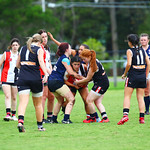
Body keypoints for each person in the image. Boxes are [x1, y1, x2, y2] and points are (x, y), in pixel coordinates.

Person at [16, 33, 48, 132]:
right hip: (35, 78)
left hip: (23, 78)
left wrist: (25, 68)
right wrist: (46, 74)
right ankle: (40, 126)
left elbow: (17, 64)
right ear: (39, 42)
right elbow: (41, 62)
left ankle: (20, 122)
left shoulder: (22, 48)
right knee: (38, 104)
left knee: (22, 102)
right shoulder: (39, 49)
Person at [117, 34, 150, 125]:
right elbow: (148, 63)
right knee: (140, 97)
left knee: (127, 96)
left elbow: (128, 64)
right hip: (142, 75)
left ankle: (125, 116)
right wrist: (146, 75)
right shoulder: (143, 50)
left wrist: (124, 74)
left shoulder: (129, 51)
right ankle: (142, 118)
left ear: (130, 42)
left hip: (133, 75)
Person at [48, 42, 81, 124]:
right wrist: (84, 78)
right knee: (71, 99)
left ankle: (53, 119)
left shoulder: (63, 58)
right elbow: (70, 72)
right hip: (57, 82)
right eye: (70, 48)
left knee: (60, 101)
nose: (71, 50)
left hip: (51, 82)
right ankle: (66, 119)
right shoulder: (65, 59)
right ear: (66, 50)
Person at [75, 49, 110, 123]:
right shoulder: (93, 61)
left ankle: (93, 117)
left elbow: (88, 79)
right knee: (97, 102)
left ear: (89, 56)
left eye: (84, 59)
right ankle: (105, 118)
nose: (83, 61)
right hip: (102, 83)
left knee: (88, 100)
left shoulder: (93, 65)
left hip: (101, 84)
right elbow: (91, 78)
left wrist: (77, 82)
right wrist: (82, 81)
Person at [0, 38, 20, 121]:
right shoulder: (6, 54)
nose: (15, 47)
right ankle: (8, 114)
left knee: (14, 97)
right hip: (6, 77)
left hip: (16, 78)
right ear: (11, 46)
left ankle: (13, 114)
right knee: (7, 95)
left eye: (16, 45)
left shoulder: (20, 55)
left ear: (18, 46)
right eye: (13, 45)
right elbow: (0, 64)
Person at [38, 29, 55, 123]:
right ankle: (42, 117)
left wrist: (51, 71)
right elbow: (42, 62)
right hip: (43, 74)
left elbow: (48, 61)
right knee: (44, 96)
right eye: (43, 37)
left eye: (46, 37)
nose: (45, 39)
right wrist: (48, 72)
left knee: (51, 96)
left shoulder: (47, 48)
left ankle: (50, 116)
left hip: (49, 74)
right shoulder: (39, 48)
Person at [140, 33, 150, 115]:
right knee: (145, 91)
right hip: (142, 72)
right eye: (141, 40)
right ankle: (146, 110)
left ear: (148, 40)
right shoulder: (139, 50)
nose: (143, 41)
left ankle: (146, 110)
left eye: (144, 40)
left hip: (149, 71)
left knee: (147, 90)